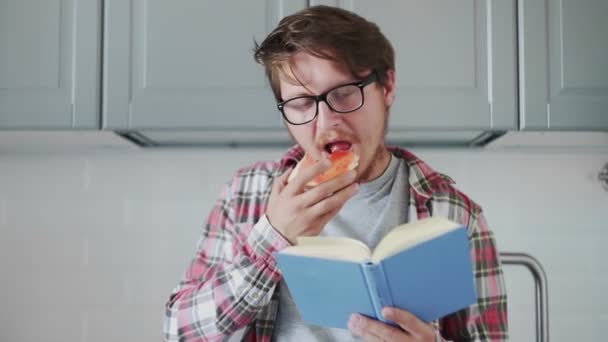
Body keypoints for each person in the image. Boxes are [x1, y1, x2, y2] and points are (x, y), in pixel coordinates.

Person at [164, 5, 507, 342]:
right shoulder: (245, 194)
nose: (327, 122)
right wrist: (274, 237)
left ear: (387, 86)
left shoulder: (456, 215)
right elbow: (178, 332)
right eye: (301, 104)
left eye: (344, 94)